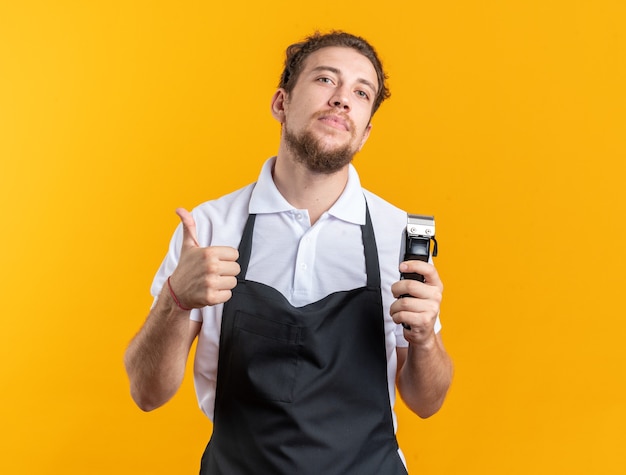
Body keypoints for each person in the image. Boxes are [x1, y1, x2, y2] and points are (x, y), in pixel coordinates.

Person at [124, 31, 453, 474]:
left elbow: (426, 403)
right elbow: (147, 394)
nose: (342, 100)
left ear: (366, 131)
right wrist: (175, 299)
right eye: (325, 80)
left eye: (361, 92)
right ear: (281, 103)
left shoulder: (399, 235)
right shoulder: (209, 228)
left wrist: (425, 337)